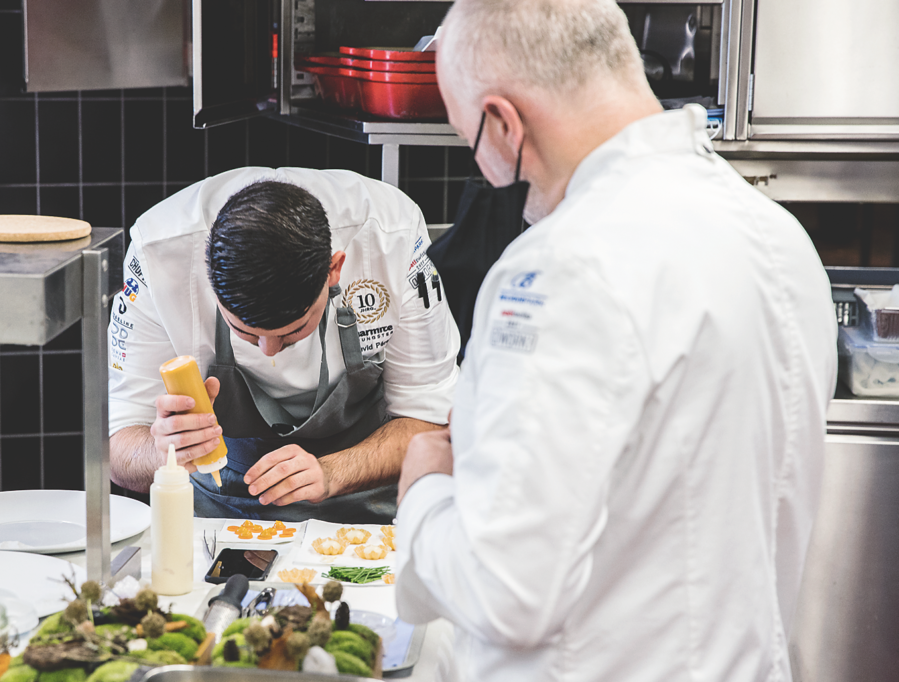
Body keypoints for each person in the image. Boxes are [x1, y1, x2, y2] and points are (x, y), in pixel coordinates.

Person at [394, 1, 838, 681]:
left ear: (505, 122)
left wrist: (425, 487)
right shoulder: (777, 237)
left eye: (470, 139)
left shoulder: (561, 267)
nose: (483, 170)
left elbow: (504, 590)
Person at [108, 168, 460, 523]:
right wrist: (165, 451)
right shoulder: (157, 254)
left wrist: (333, 473)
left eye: (293, 332)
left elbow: (432, 421)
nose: (269, 352)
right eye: (244, 332)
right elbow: (116, 449)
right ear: (208, 281)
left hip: (368, 508)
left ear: (334, 270)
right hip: (218, 513)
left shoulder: (391, 236)